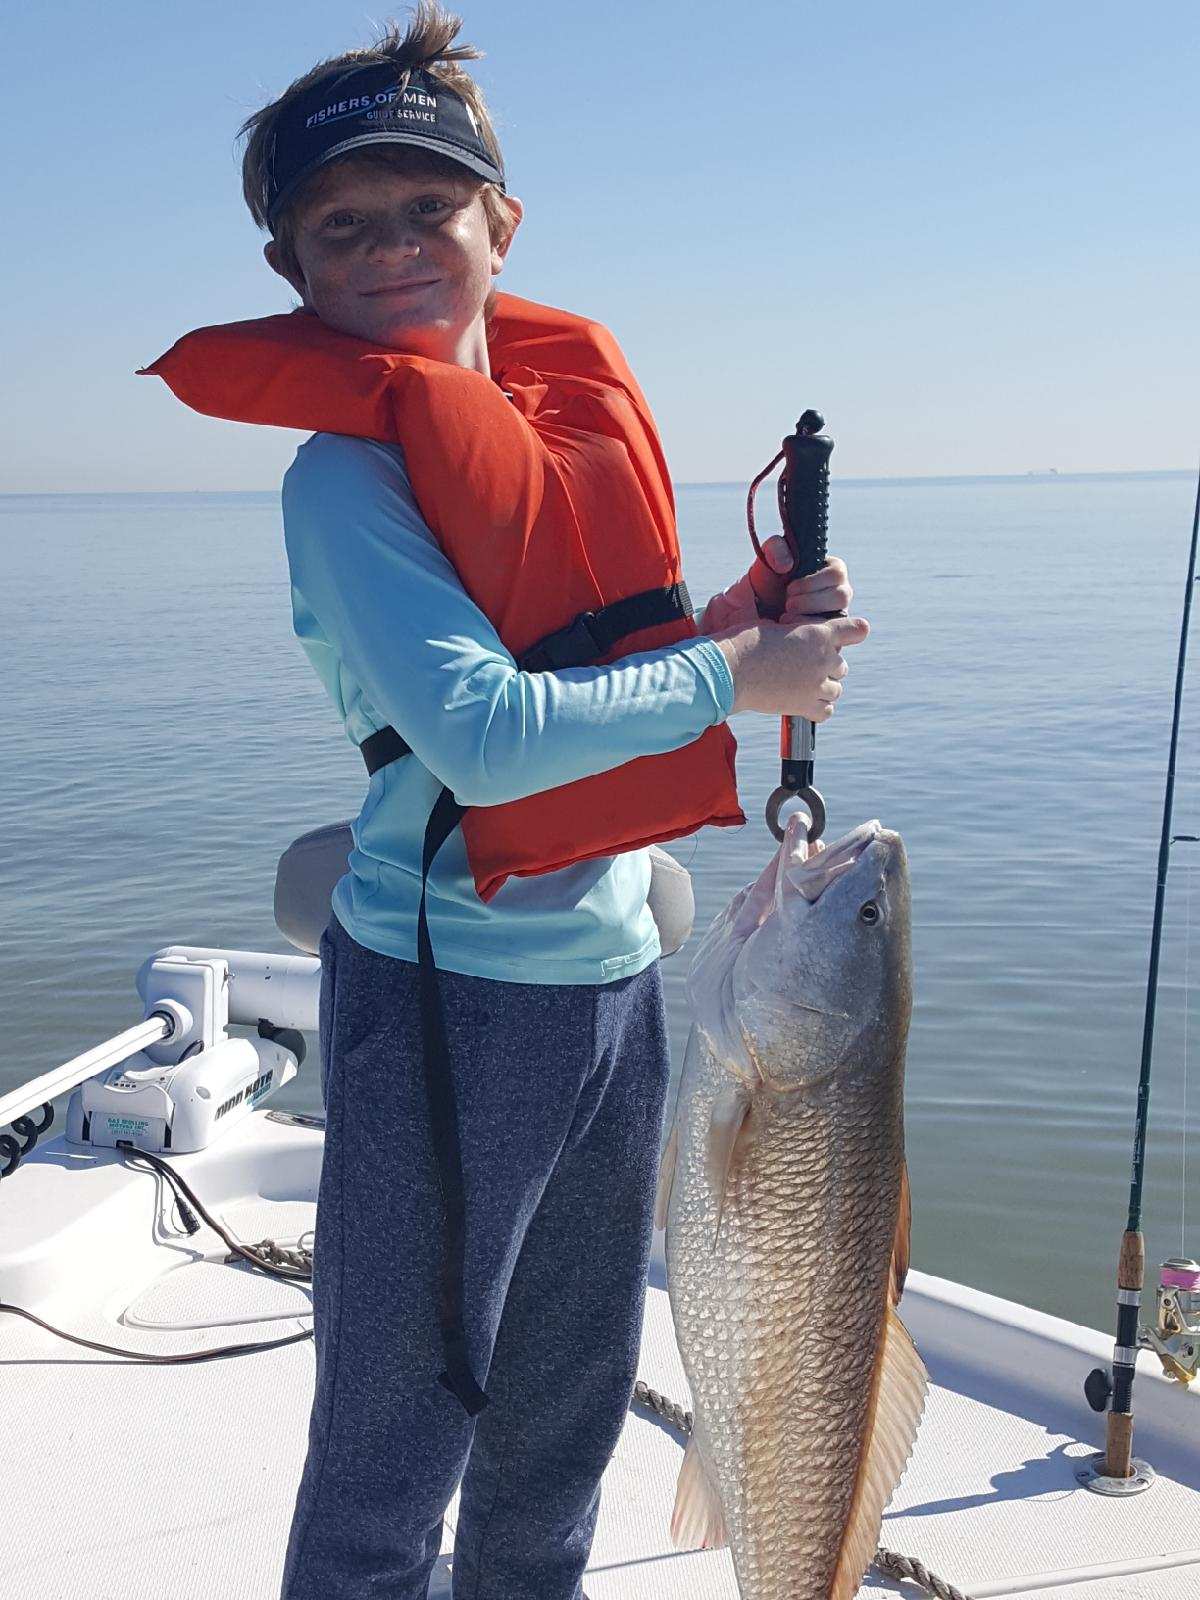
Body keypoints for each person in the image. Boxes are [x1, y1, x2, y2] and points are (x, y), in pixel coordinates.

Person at [235, 7, 868, 1597]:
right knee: (400, 1436)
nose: (391, 246)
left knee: (563, 1421)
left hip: (610, 987)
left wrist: (742, 621)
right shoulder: (348, 477)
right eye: (342, 225)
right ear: (293, 271)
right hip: (448, 1002)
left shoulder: (545, 424)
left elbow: (590, 667)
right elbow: (484, 736)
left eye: (426, 208)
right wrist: (746, 682)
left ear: (500, 225)